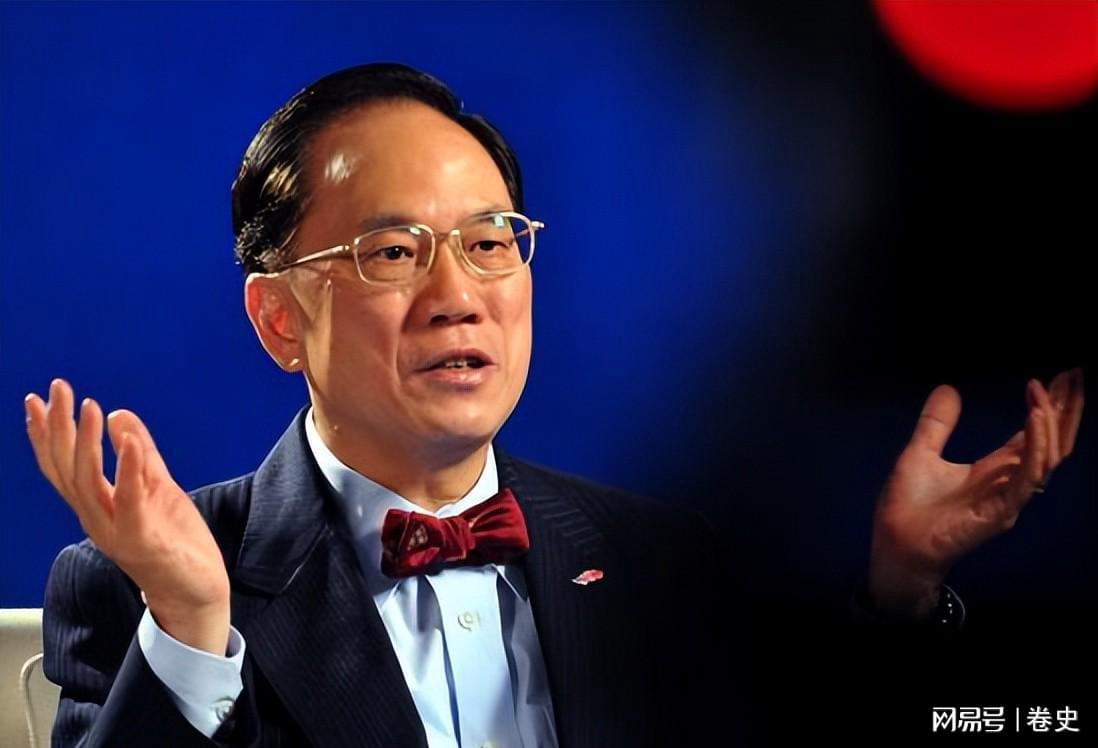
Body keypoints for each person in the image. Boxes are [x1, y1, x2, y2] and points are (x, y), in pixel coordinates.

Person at [24, 63, 1085, 747]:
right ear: (277, 319)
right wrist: (192, 627)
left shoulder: (664, 560)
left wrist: (902, 588)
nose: (457, 297)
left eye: (490, 243)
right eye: (393, 252)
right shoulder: (142, 589)